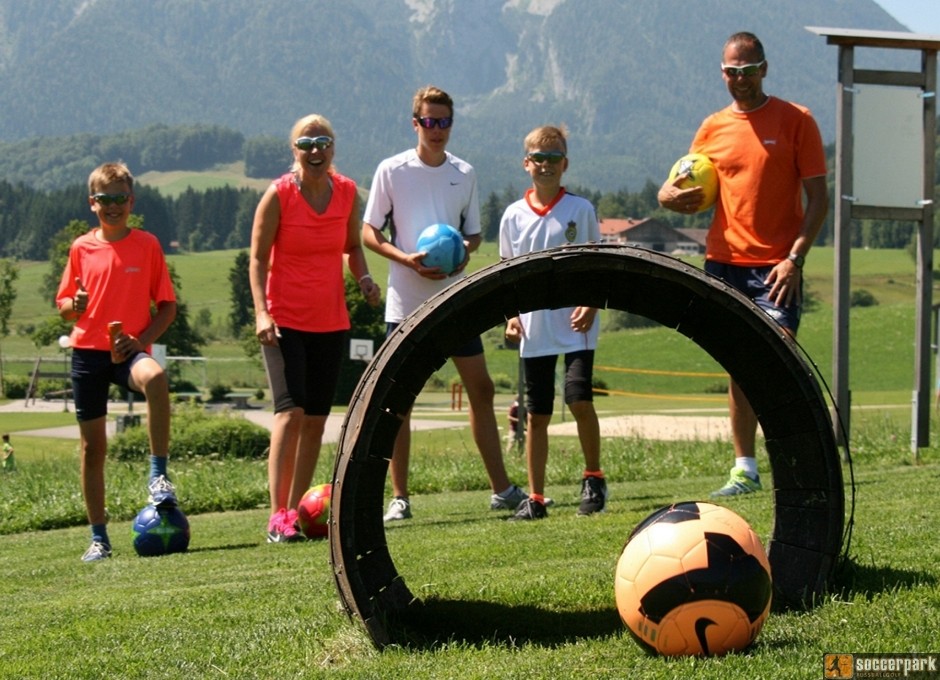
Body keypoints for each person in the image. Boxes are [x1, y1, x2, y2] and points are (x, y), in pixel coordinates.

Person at [658, 32, 828, 497]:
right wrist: (666, 195)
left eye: (749, 71)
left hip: (777, 267)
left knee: (779, 361)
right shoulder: (712, 127)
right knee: (738, 366)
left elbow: (819, 199)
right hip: (723, 263)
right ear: (723, 73)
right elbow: (682, 184)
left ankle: (798, 464)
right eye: (732, 72)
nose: (741, 79)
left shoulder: (797, 120)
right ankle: (745, 471)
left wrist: (795, 258)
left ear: (764, 69)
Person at [362, 85, 527, 521]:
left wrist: (462, 252)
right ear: (415, 123)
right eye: (429, 121)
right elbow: (369, 232)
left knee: (482, 389)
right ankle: (399, 497)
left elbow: (473, 233)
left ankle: (501, 489)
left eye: (444, 122)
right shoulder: (392, 170)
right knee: (398, 401)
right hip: (405, 303)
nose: (437, 129)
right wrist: (405, 260)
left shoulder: (464, 172)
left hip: (454, 298)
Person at [250, 114, 381, 543]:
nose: (315, 150)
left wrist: (364, 279)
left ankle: (296, 511)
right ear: (295, 151)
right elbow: (257, 259)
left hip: (330, 321)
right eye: (306, 143)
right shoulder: (279, 195)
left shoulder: (346, 192)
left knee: (315, 421)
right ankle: (277, 517)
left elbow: (352, 247)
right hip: (284, 321)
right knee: (290, 413)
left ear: (333, 148)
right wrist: (262, 312)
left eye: (322, 142)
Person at [56, 162, 179, 562]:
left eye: (120, 199)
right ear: (92, 203)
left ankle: (158, 475)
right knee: (93, 450)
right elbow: (64, 308)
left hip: (128, 350)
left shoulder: (147, 245)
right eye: (104, 199)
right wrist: (73, 306)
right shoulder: (81, 247)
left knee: (156, 377)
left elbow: (168, 307)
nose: (113, 206)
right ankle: (99, 539)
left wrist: (141, 340)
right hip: (87, 355)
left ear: (132, 201)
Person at [499, 125, 606, 520]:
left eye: (554, 158)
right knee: (537, 415)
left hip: (576, 325)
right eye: (539, 158)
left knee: (579, 400)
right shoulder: (513, 215)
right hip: (536, 329)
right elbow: (506, 274)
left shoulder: (581, 210)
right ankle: (536, 497)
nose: (546, 165)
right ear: (526, 163)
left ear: (565, 164)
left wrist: (591, 305)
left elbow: (597, 264)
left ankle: (593, 478)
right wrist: (511, 316)